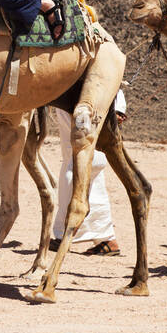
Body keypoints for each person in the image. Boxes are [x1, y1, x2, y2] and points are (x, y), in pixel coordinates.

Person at [50, 91, 127, 255]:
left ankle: (66, 235)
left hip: (84, 103)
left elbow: (107, 70)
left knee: (75, 169)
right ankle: (104, 239)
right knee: (86, 174)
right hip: (72, 100)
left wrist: (118, 108)